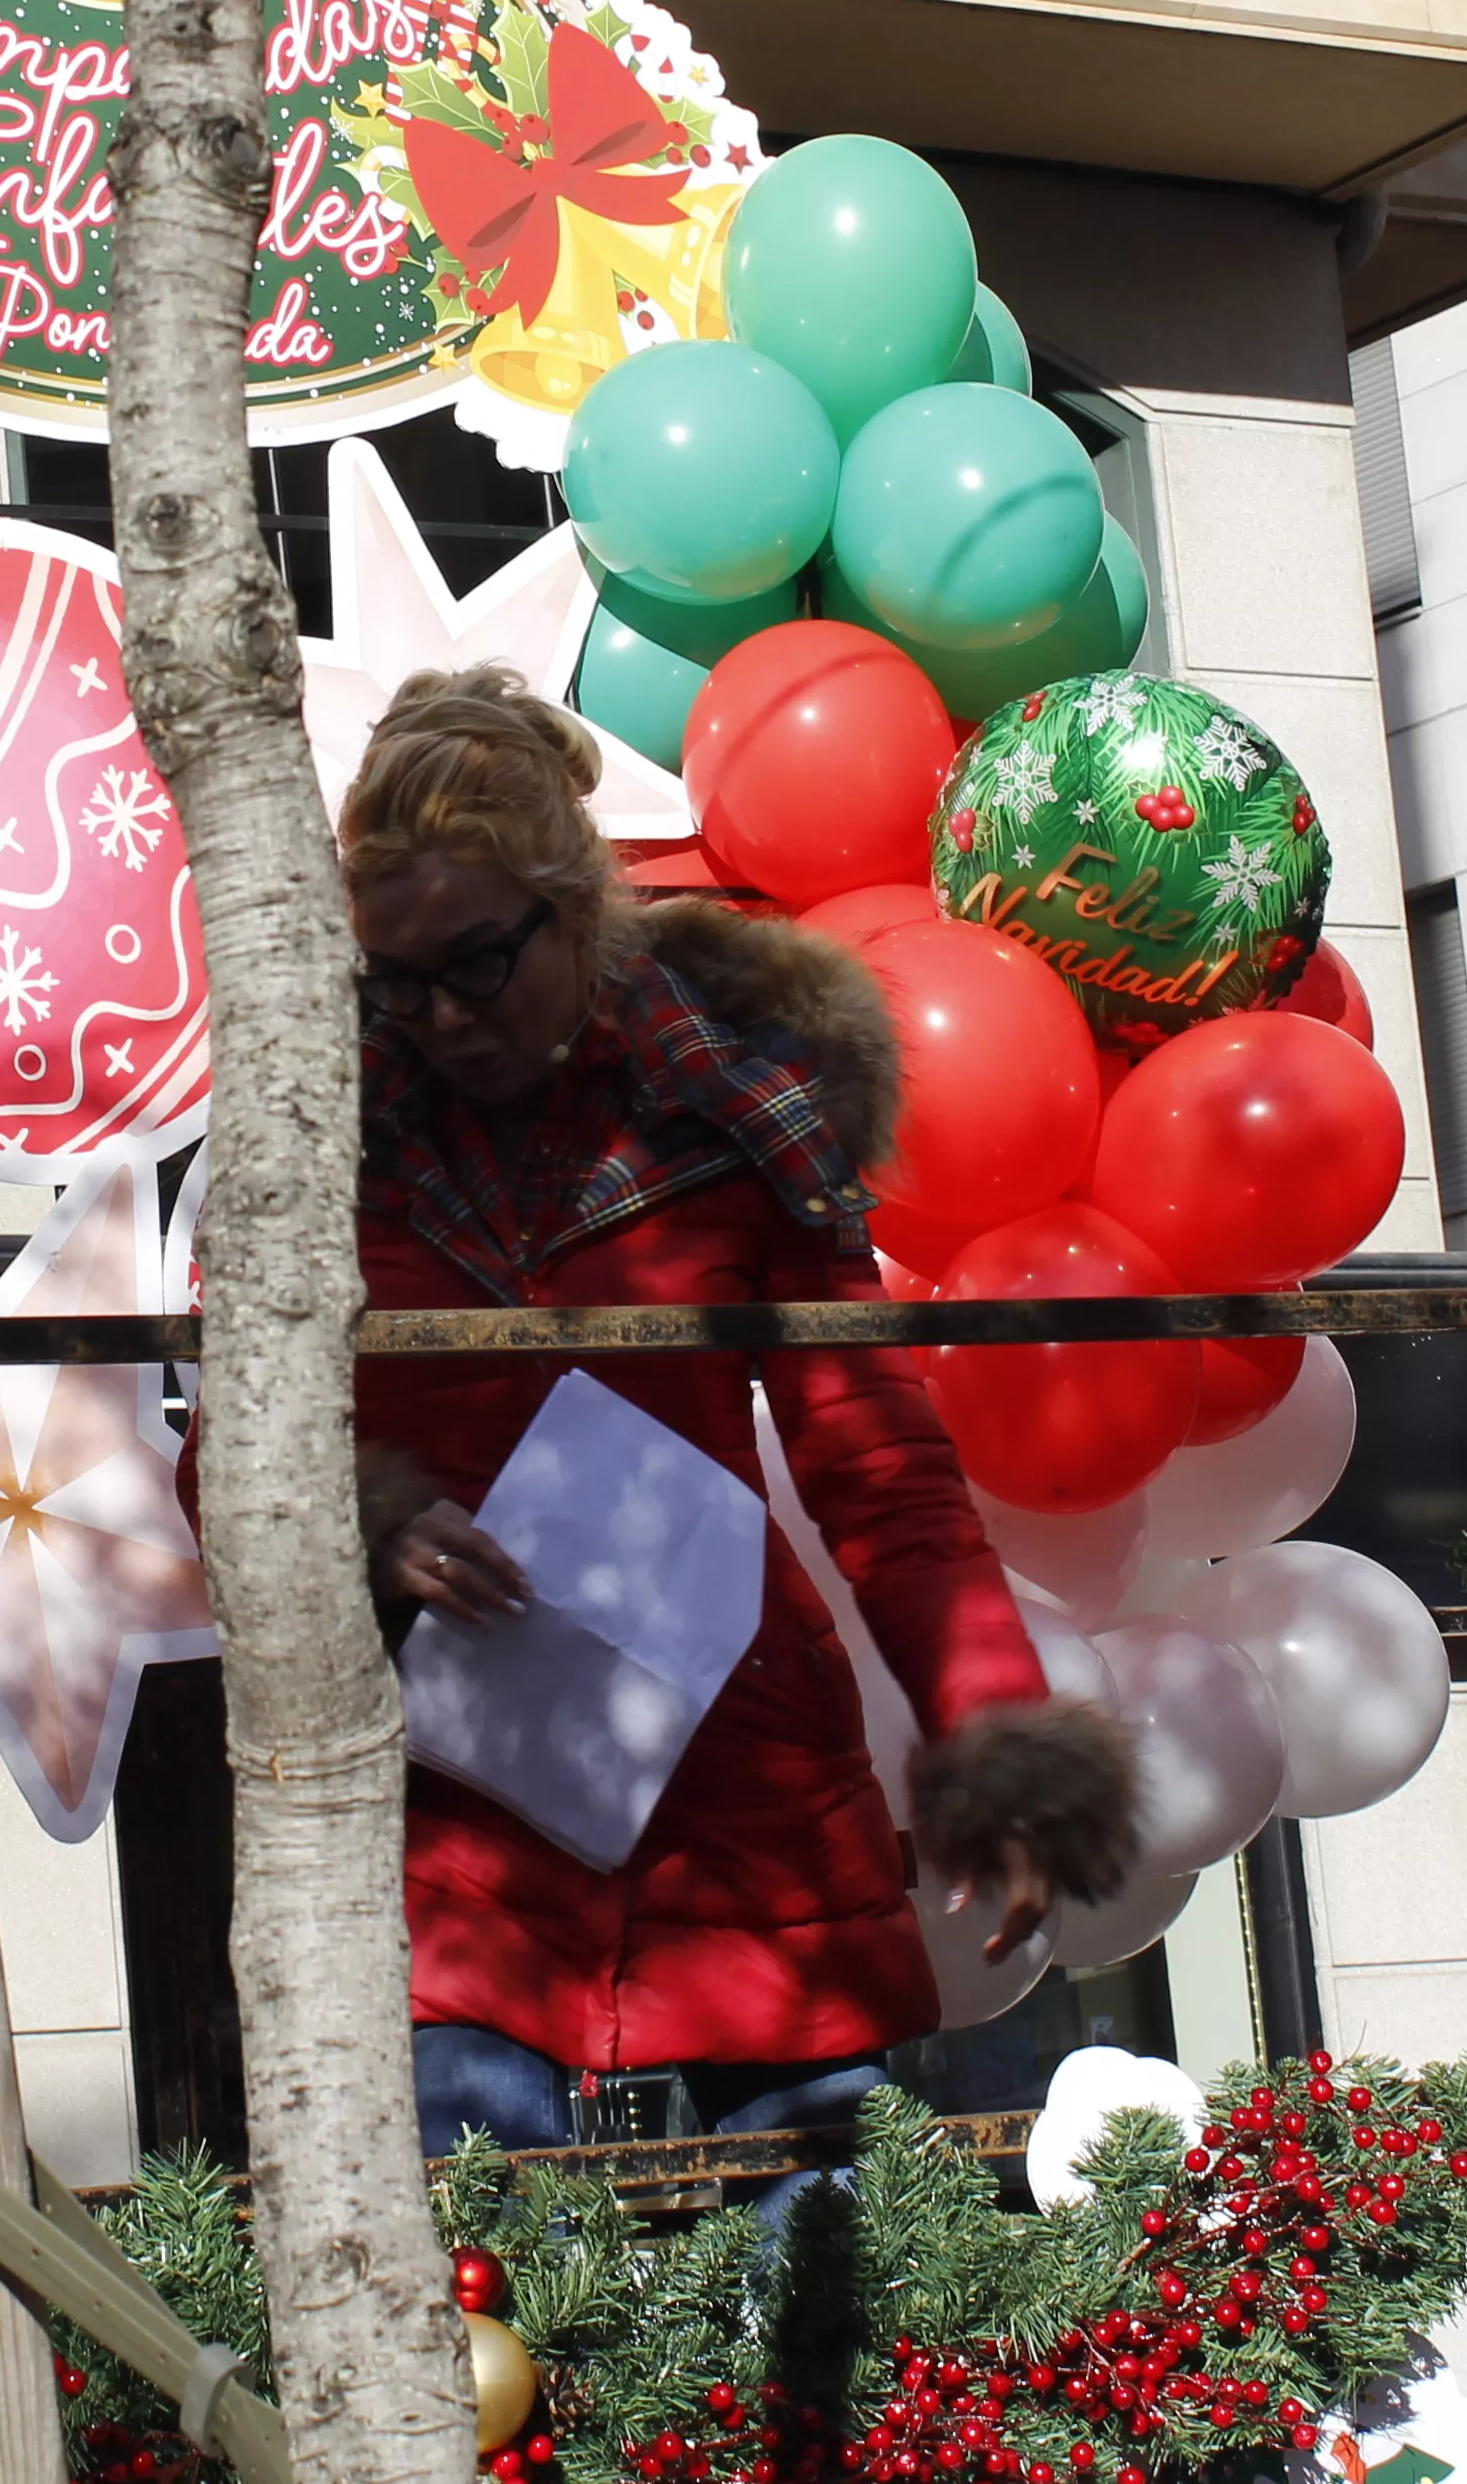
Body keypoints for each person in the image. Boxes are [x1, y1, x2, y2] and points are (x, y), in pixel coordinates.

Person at [341, 667, 1140, 2161]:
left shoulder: (735, 1103)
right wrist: (362, 1526)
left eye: (476, 961)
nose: (439, 1018)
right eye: (395, 980)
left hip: (744, 1806)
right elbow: (228, 1454)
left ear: (576, 904)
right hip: (443, 1839)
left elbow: (878, 1462)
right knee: (474, 2360)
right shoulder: (322, 1128)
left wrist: (998, 1738)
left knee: (842, 2327)